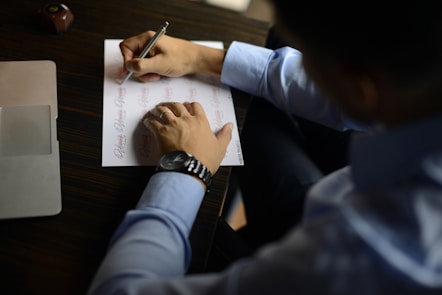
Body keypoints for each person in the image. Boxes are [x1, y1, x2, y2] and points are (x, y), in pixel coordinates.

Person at [87, 0, 442, 294]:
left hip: (313, 241)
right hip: (346, 185)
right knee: (247, 99)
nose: (302, 63)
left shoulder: (368, 251)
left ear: (361, 89)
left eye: (309, 58)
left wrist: (186, 168)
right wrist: (201, 58)